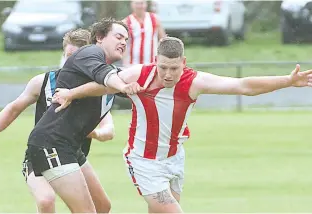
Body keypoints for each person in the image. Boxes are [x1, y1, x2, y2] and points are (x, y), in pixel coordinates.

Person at [52, 36, 312, 213]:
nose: (168, 74)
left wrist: (287, 81)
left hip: (175, 160)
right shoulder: (137, 75)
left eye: (174, 68)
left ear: (183, 64)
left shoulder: (194, 82)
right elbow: (102, 85)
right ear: (156, 62)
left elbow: (242, 86)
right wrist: (71, 93)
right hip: (143, 161)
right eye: (163, 67)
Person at [0, 28, 114, 213]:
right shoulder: (44, 82)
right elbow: (14, 108)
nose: (72, 62)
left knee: (103, 206)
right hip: (40, 153)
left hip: (72, 153)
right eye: (68, 56)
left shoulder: (98, 90)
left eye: (77, 58)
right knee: (46, 200)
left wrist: (96, 133)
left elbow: (108, 129)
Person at [25, 17, 143, 213]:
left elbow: (107, 82)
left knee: (102, 206)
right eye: (118, 36)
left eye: (126, 40)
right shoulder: (90, 52)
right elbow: (106, 77)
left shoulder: (106, 70)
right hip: (52, 143)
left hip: (70, 147)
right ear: (99, 37)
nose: (123, 42)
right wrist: (123, 86)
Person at [122, 0, 166, 67]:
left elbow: (163, 40)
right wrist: (125, 63)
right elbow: (123, 44)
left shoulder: (154, 18)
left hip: (152, 63)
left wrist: (163, 59)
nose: (139, 6)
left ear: (146, 4)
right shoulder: (126, 21)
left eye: (142, 3)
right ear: (132, 5)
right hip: (132, 64)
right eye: (137, 3)